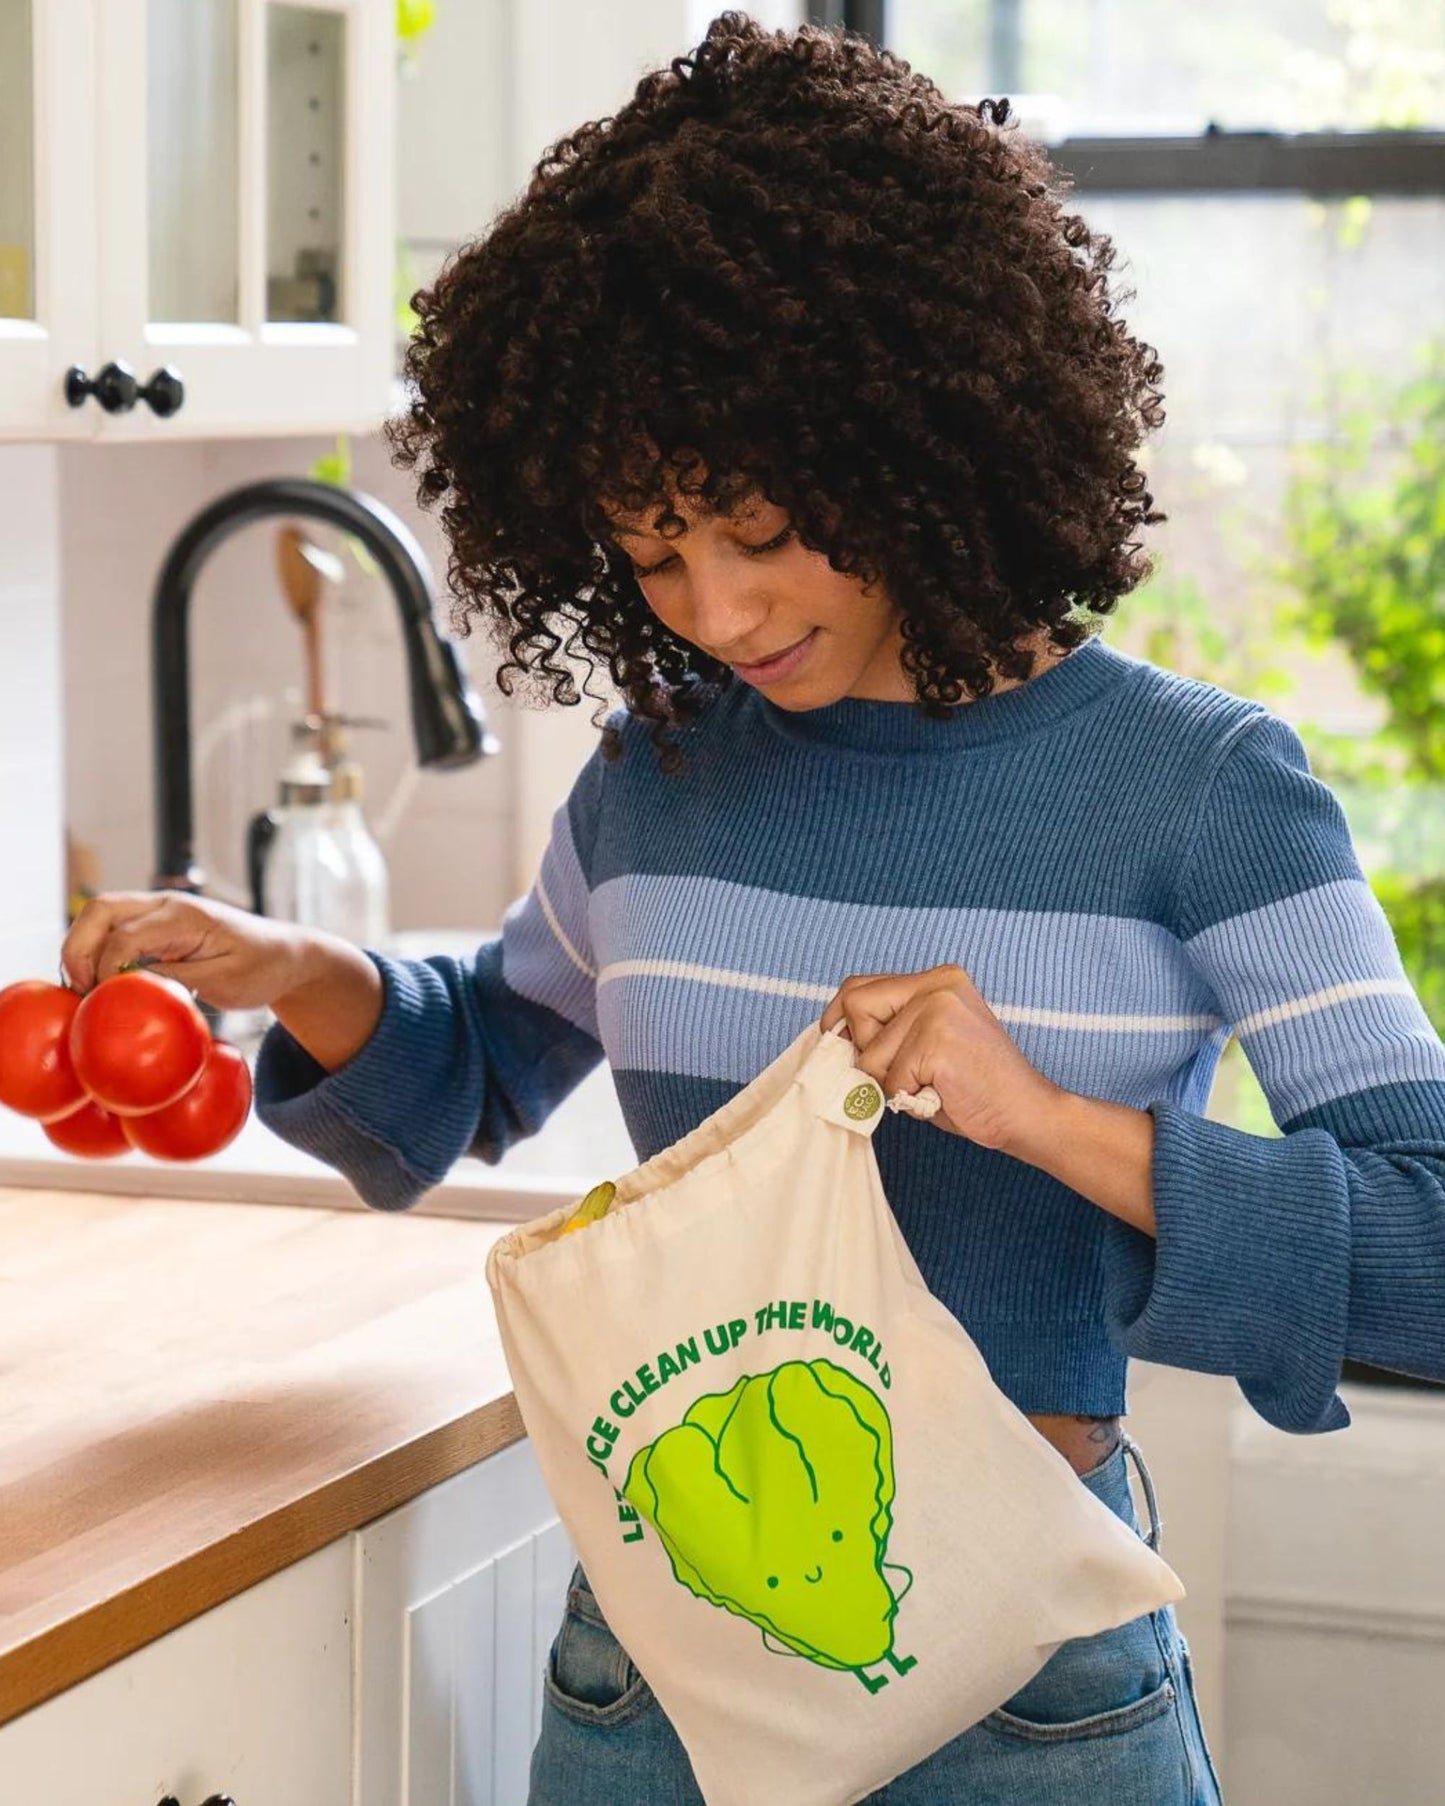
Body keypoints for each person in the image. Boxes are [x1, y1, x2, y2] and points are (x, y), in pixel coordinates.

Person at [61, 12, 1445, 1803]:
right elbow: (477, 1069)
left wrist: (1039, 1117)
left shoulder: (1200, 790)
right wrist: (294, 969)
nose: (714, 609)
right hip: (647, 1671)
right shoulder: (661, 774)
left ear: (919, 436)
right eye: (650, 551)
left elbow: (1425, 1248)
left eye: (762, 526)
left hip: (1025, 1694)